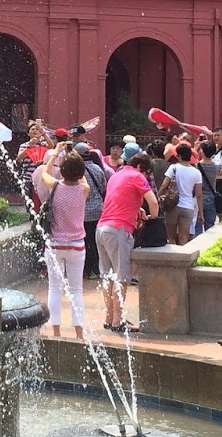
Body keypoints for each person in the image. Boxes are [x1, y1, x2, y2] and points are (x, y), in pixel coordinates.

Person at [96, 145, 159, 331]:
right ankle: (119, 321)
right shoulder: (137, 176)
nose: (146, 176)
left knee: (108, 276)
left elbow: (118, 198)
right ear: (140, 167)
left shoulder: (116, 175)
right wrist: (153, 218)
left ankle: (109, 318)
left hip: (101, 229)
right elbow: (154, 202)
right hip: (118, 230)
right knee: (122, 277)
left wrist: (136, 208)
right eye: (146, 172)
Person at [33, 142, 90, 340]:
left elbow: (44, 172)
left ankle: (56, 331)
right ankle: (79, 334)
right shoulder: (84, 189)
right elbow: (80, 175)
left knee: (54, 289)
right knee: (76, 290)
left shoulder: (55, 186)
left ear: (62, 170)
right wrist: (73, 155)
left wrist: (56, 153)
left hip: (55, 245)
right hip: (77, 245)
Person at [75, 144, 109, 279]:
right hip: (98, 210)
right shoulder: (97, 169)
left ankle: (88, 269)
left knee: (85, 241)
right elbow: (103, 187)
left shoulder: (76, 171)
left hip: (82, 211)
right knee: (96, 241)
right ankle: (97, 268)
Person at [161, 142, 203, 245]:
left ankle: (172, 254)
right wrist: (200, 213)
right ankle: (182, 254)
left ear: (179, 156)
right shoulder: (196, 172)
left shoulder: (173, 168)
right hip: (188, 207)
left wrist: (159, 196)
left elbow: (164, 185)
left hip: (172, 206)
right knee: (184, 236)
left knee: (171, 237)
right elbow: (198, 195)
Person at [197, 140, 220, 230]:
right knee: (210, 226)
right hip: (210, 198)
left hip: (198, 198)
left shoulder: (196, 166)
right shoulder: (216, 166)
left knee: (197, 226)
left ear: (202, 152)